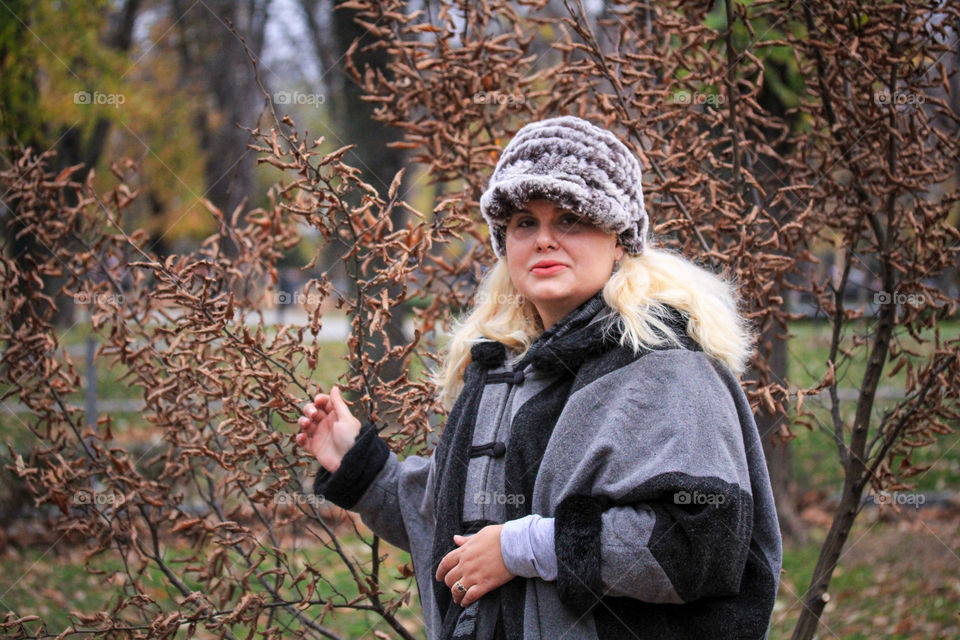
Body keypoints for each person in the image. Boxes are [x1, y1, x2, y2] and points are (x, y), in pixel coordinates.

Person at [294, 115, 782, 640]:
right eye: (525, 223)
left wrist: (523, 548)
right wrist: (361, 465)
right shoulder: (502, 371)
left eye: (570, 219)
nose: (545, 240)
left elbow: (703, 544)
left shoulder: (669, 368)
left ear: (620, 239)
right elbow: (453, 528)